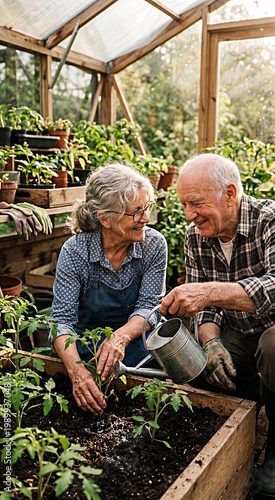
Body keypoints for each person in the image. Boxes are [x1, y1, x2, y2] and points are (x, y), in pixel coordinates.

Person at [159, 153, 275, 498]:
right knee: (198, 366)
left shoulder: (269, 220)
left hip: (272, 330)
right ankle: (242, 422)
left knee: (272, 348)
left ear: (230, 193)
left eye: (195, 203)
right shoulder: (195, 236)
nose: (189, 215)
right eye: (183, 204)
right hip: (239, 329)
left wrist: (208, 291)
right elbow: (203, 310)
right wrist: (210, 343)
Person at [51, 163, 167, 416]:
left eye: (146, 208)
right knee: (82, 373)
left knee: (156, 366)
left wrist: (119, 338)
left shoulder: (154, 245)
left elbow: (149, 308)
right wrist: (77, 372)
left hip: (134, 341)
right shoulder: (75, 251)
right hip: (86, 344)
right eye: (136, 212)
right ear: (105, 218)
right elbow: (62, 321)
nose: (145, 219)